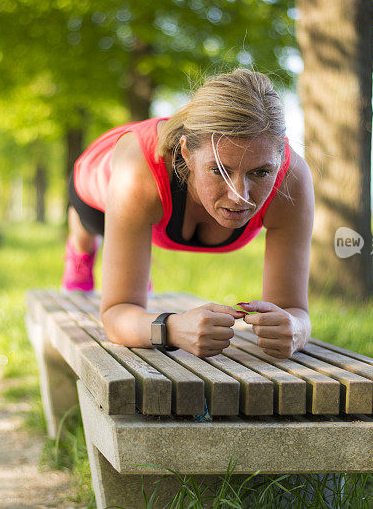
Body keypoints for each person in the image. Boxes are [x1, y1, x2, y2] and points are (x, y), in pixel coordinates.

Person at [62, 69, 314, 359]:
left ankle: (133, 262)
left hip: (150, 202)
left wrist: (294, 328)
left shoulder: (291, 180)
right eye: (219, 170)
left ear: (280, 159)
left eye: (260, 172)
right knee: (88, 230)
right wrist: (172, 328)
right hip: (96, 189)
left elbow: (295, 311)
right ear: (186, 153)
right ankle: (80, 252)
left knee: (131, 274)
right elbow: (116, 315)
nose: (239, 195)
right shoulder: (137, 174)